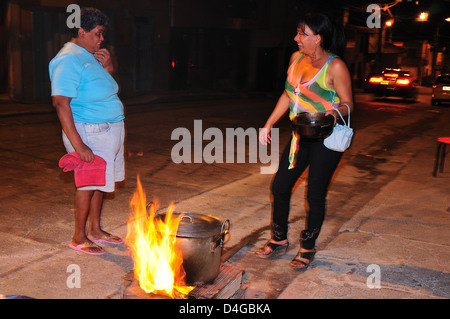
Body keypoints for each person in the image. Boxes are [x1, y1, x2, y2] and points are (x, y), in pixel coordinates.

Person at [256, 13, 354, 271]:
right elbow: (288, 95)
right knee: (280, 186)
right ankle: (279, 239)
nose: (296, 38)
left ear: (318, 38)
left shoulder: (335, 67)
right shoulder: (295, 59)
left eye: (302, 34)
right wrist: (269, 123)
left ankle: (307, 247)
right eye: (298, 33)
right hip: (301, 135)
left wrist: (335, 112)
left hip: (326, 138)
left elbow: (348, 103)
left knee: (315, 193)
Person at [49, 7, 125, 255]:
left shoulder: (89, 55)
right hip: (89, 131)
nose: (102, 39)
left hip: (106, 129)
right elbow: (61, 102)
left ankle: (95, 231)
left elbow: (106, 89)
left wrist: (109, 68)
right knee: (87, 185)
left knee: (99, 182)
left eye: (103, 33)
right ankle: (79, 237)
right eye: (98, 33)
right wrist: (79, 145)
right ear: (81, 31)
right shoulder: (68, 58)